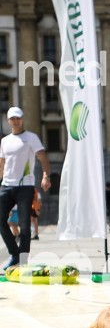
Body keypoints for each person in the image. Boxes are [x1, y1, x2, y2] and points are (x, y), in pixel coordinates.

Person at [0, 107, 51, 269]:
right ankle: (15, 254)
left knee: (24, 224)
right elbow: (1, 163)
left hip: (25, 186)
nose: (15, 121)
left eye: (18, 118)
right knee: (1, 221)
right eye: (12, 119)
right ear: (9, 121)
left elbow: (43, 156)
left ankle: (22, 260)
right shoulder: (4, 141)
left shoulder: (31, 138)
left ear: (22, 119)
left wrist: (45, 176)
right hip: (6, 185)